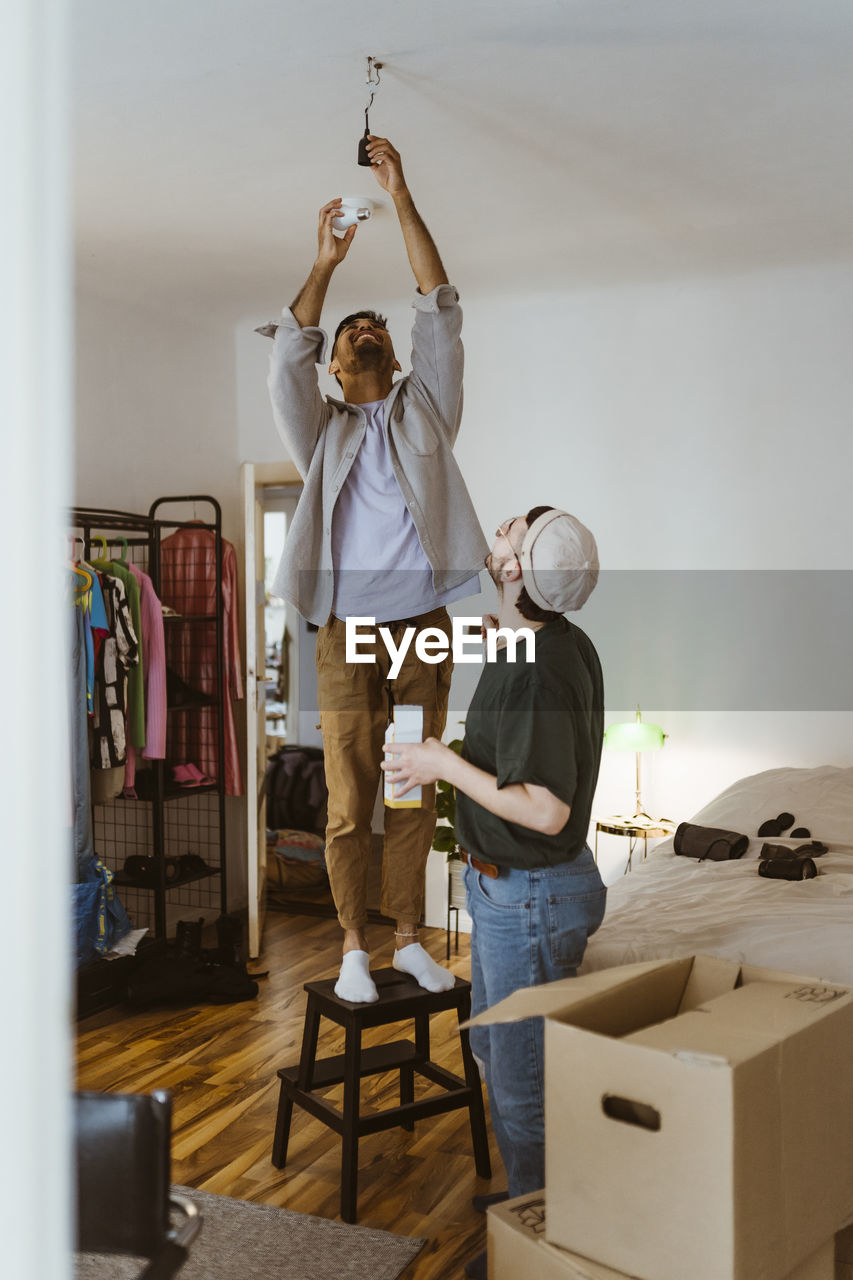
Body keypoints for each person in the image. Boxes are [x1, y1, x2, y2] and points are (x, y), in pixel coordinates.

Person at [265, 136, 488, 1004]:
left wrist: (399, 195)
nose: (367, 327)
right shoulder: (320, 433)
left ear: (396, 361)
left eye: (376, 328)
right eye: (351, 328)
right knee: (350, 796)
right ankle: (354, 947)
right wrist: (324, 262)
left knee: (410, 790)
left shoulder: (426, 408)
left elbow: (439, 306)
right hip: (347, 632)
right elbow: (287, 350)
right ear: (335, 363)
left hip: (422, 625)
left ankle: (407, 942)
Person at [382, 505, 607, 1280]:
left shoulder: (544, 663)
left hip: (533, 895)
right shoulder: (546, 641)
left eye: (510, 528)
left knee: (518, 1086)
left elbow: (546, 808)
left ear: (516, 570)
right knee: (495, 1049)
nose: (497, 530)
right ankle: (532, 1201)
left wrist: (442, 765)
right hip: (509, 893)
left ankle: (541, 1245)